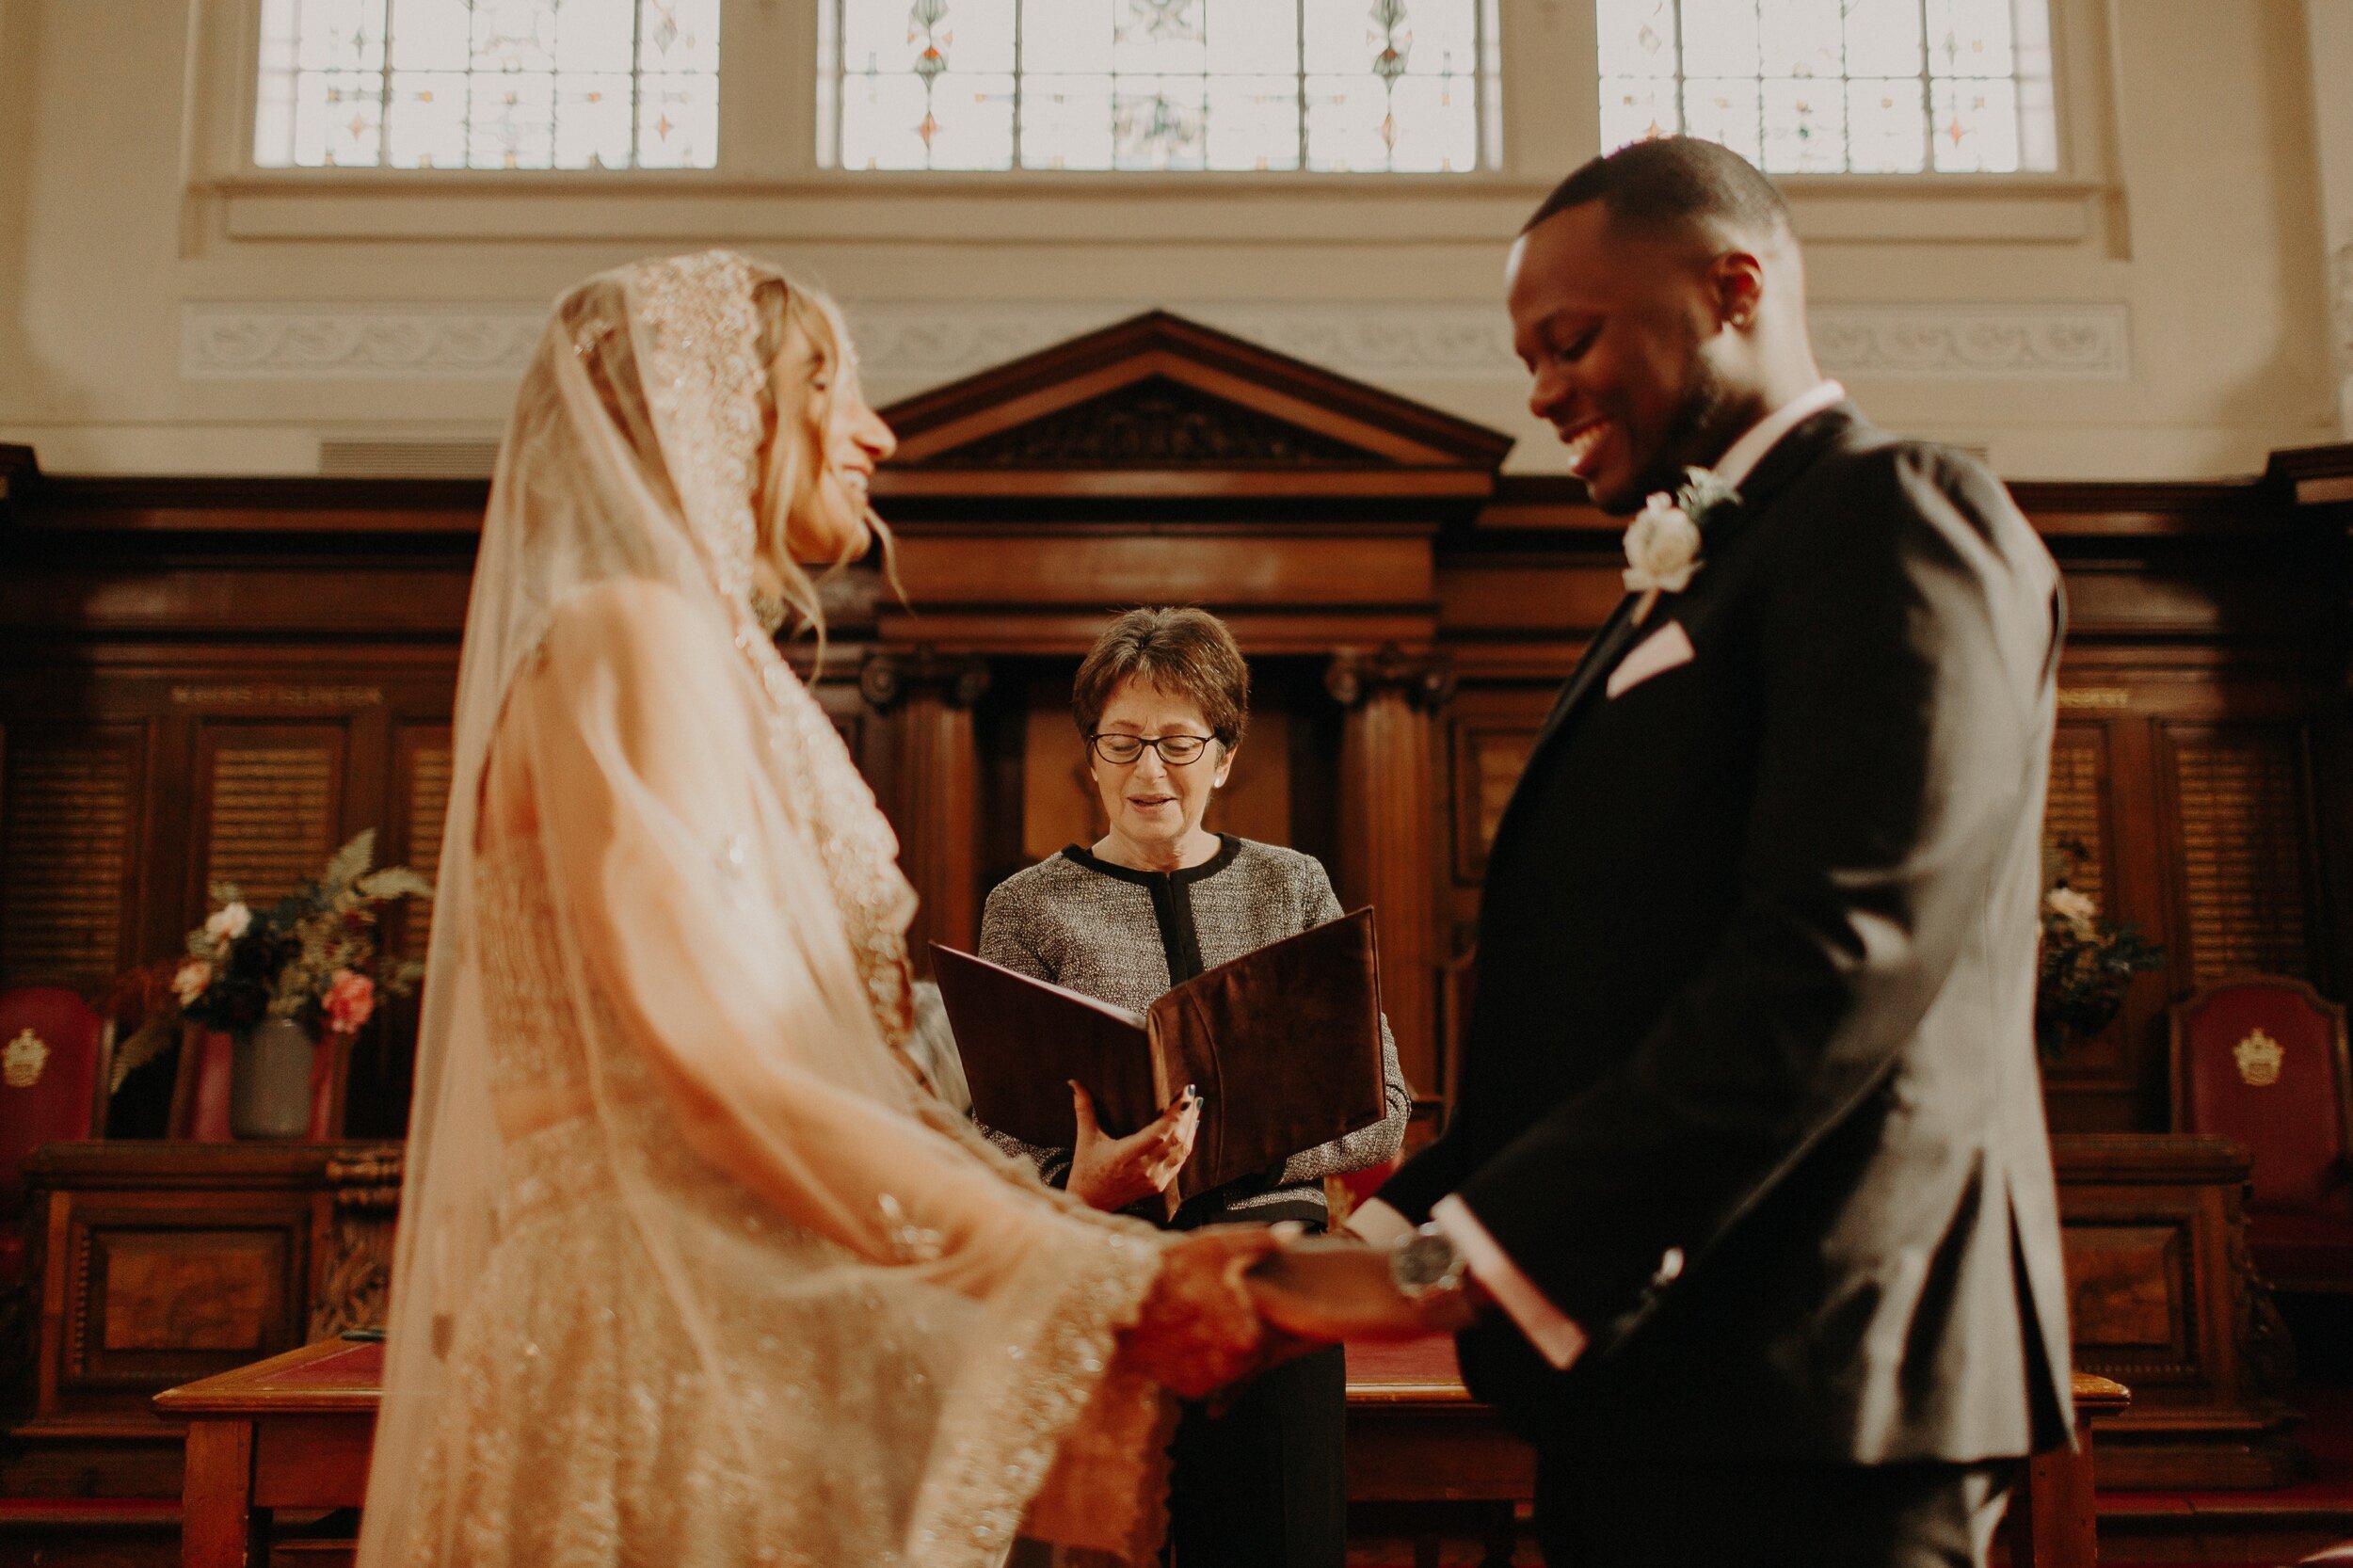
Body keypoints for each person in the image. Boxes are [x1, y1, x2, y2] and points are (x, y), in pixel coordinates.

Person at [355, 251, 1279, 1568]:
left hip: (721, 1309)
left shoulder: (689, 648)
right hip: (648, 1322)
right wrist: (1071, 1263)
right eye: (828, 382)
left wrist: (1061, 1214)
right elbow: (720, 1072)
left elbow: (817, 1070)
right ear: (710, 405)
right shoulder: (627, 630)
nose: (876, 430)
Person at [1338, 138, 2074, 1567]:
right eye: (1528, 356)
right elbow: (1616, 1006)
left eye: (1569, 340)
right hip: (1660, 1381)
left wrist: (1459, 1266)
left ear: (1734, 286)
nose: (1541, 389)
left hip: (1817, 1392)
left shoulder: (1898, 514)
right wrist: (1370, 1248)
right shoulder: (1710, 569)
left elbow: (1835, 959)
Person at [977, 606, 1412, 1568]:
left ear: (1222, 755)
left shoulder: (1292, 887)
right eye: (1121, 742)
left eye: (1177, 743)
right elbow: (996, 1134)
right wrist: (1088, 1173)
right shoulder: (1027, 906)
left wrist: (1227, 1139)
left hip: (1273, 1275)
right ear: (1089, 756)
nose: (1148, 772)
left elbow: (1383, 1104)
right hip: (1104, 1271)